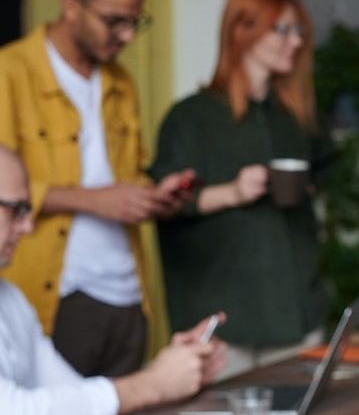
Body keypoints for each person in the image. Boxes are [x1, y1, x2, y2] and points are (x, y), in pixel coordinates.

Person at [0, 0, 194, 377]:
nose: (126, 36)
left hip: (128, 294)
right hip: (57, 295)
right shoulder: (9, 72)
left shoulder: (121, 81)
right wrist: (95, 201)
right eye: (114, 21)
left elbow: (126, 174)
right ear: (70, 5)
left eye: (135, 22)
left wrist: (153, 195)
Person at [149, 0, 329, 377]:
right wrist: (232, 191)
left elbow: (323, 172)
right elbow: (164, 203)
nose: (295, 41)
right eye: (282, 29)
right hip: (226, 321)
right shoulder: (191, 117)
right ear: (241, 31)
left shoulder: (294, 117)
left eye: (298, 31)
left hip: (297, 311)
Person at [0, 145, 226, 414]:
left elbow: (66, 394)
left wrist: (173, 373)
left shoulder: (11, 301)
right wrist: (153, 384)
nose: (28, 226)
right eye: (16, 210)